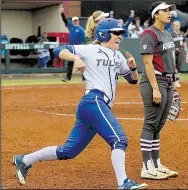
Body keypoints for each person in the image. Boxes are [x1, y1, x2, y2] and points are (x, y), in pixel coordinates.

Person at [13, 18, 148, 190]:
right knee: (119, 139)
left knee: (68, 151)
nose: (120, 36)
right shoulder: (91, 49)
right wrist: (75, 58)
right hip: (93, 101)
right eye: (117, 33)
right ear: (104, 34)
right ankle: (123, 183)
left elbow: (131, 80)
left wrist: (134, 68)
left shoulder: (119, 56)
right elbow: (59, 50)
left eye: (121, 33)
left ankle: (24, 160)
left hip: (97, 108)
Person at [139, 1, 178, 180]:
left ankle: (156, 163)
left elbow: (170, 60)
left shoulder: (167, 34)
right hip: (155, 80)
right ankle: (146, 167)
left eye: (169, 10)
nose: (169, 13)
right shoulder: (149, 33)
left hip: (168, 81)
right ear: (155, 14)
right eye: (165, 10)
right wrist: (155, 88)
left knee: (159, 124)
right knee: (151, 123)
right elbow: (147, 63)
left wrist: (174, 82)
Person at [60, 8, 86, 82]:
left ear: (78, 21)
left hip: (79, 48)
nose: (75, 22)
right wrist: (62, 13)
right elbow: (65, 21)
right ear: (72, 22)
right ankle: (68, 78)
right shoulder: (71, 27)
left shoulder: (81, 29)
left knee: (81, 63)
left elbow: (84, 40)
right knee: (70, 63)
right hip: (72, 48)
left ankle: (84, 78)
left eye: (76, 20)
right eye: (74, 21)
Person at [171, 20, 188, 88]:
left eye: (178, 26)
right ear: (173, 26)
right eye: (176, 25)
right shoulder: (171, 34)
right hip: (173, 52)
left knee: (179, 67)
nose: (177, 27)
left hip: (181, 52)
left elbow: (184, 44)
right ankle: (172, 81)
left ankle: (177, 81)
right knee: (173, 67)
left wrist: (187, 52)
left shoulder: (182, 33)